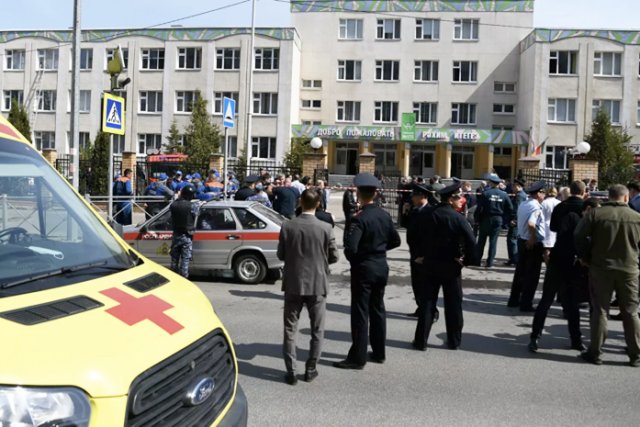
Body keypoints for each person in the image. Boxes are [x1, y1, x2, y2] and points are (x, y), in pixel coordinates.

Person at [334, 173, 401, 369]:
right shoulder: (384, 215)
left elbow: (351, 249)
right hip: (381, 266)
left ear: (358, 194)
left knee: (361, 313)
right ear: (376, 194)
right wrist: (378, 250)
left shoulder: (359, 218)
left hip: (364, 269)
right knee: (378, 310)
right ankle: (379, 352)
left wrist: (361, 258)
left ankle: (358, 358)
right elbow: (396, 241)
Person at [278, 190, 339, 385]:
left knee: (290, 329)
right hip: (317, 283)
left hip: (293, 283)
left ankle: (291, 371)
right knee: (317, 330)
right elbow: (334, 256)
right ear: (319, 204)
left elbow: (281, 254)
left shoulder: (287, 225)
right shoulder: (325, 227)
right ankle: (311, 368)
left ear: (300, 202)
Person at [575, 184, 640, 367]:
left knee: (600, 310)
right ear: (626, 198)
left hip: (600, 268)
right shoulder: (636, 217)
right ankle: (636, 355)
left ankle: (595, 352)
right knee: (631, 311)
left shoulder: (596, 214)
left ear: (609, 197)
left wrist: (584, 257)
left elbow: (578, 235)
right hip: (629, 269)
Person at [412, 182, 476, 351]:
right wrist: (467, 261)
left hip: (429, 264)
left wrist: (418, 255)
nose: (461, 200)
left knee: (427, 304)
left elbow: (413, 235)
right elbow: (471, 242)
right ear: (450, 199)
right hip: (451, 265)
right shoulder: (458, 218)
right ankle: (454, 341)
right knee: (453, 304)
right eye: (458, 197)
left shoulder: (427, 214)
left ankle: (420, 341)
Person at [529, 181, 591, 353]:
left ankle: (535, 337)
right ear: (584, 192)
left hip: (558, 255)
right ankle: (576, 339)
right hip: (575, 259)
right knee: (572, 303)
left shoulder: (560, 206)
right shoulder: (585, 208)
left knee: (546, 300)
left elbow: (554, 227)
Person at [507, 181, 546, 311]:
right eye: (543, 193)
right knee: (532, 275)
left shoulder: (524, 204)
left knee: (520, 272)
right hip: (531, 243)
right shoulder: (536, 207)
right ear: (539, 193)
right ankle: (526, 303)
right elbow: (531, 224)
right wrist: (532, 238)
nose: (544, 195)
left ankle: (514, 300)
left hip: (521, 240)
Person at [475, 173, 513, 268]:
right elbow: (510, 208)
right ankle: (490, 262)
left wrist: (477, 219)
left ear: (491, 183)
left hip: (486, 218)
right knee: (493, 241)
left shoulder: (486, 193)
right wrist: (504, 217)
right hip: (498, 219)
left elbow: (479, 208)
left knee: (481, 241)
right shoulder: (504, 195)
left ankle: (477, 261)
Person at [405, 183, 431, 318]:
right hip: (414, 253)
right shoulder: (415, 211)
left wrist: (426, 255)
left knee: (425, 284)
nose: (412, 198)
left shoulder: (430, 212)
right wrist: (405, 212)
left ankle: (431, 311)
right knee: (416, 283)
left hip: (424, 255)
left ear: (422, 196)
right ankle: (420, 307)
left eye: (414, 196)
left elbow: (432, 237)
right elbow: (406, 225)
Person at [170, 184, 197, 278]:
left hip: (176, 235)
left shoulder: (173, 205)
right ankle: (184, 277)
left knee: (174, 259)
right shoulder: (192, 206)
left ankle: (173, 277)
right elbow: (195, 215)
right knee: (185, 259)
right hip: (186, 236)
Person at [505, 178, 526, 266]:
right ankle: (513, 259)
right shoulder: (521, 195)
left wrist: (515, 220)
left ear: (518, 186)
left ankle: (514, 259)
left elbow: (517, 209)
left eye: (514, 186)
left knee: (512, 239)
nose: (512, 188)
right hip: (519, 220)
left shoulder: (519, 196)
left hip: (515, 221)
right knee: (512, 239)